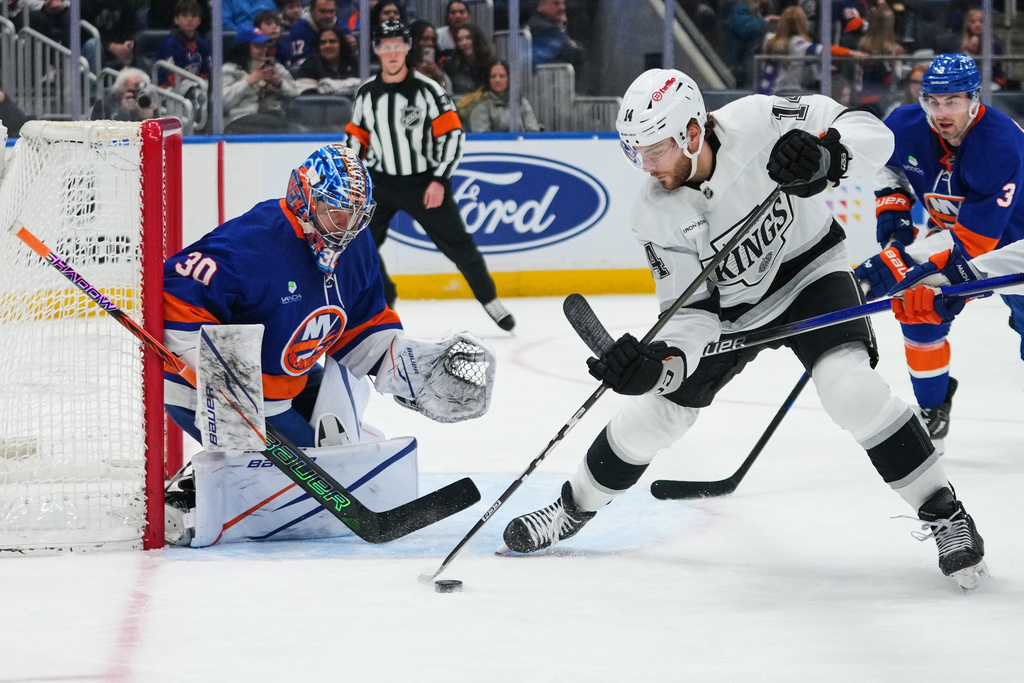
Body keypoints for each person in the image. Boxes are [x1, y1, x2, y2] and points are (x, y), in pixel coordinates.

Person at [500, 67, 988, 591]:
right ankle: (573, 508)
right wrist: (658, 366)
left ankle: (945, 514)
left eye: (655, 149)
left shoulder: (759, 119)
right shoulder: (652, 212)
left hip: (810, 275)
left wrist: (828, 156)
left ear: (692, 133)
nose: (646, 165)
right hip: (731, 312)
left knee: (850, 389)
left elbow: (875, 133)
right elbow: (691, 312)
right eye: (636, 151)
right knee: (654, 416)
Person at [162, 144, 495, 545]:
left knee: (347, 449)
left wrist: (408, 368)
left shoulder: (355, 244)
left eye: (358, 215)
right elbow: (176, 292)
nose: (347, 227)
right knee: (314, 480)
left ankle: (233, 474)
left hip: (288, 379)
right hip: (216, 391)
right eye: (337, 213)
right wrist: (219, 372)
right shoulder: (253, 242)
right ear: (305, 198)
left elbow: (363, 322)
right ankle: (193, 493)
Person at [853, 53, 1024, 448]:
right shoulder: (904, 124)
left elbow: (978, 246)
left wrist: (903, 260)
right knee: (918, 309)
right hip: (962, 240)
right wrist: (893, 214)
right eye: (933, 101)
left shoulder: (998, 144)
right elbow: (887, 167)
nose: (941, 112)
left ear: (975, 99)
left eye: (952, 102)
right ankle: (933, 411)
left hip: (1015, 248)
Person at [345, 20, 515, 331]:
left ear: (408, 48)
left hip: (424, 182)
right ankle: (385, 296)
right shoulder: (366, 94)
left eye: (398, 45)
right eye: (386, 46)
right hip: (380, 182)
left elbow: (452, 135)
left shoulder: (428, 90)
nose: (392, 52)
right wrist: (354, 179)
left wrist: (439, 179)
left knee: (459, 245)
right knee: (358, 242)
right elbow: (356, 139)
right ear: (377, 50)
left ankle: (489, 299)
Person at [759, 5, 863, 95]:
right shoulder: (798, 43)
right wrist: (851, 52)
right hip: (785, 92)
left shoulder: (768, 39)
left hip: (764, 92)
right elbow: (826, 50)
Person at [222, 26, 302, 133]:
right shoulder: (229, 70)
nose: (264, 50)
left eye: (265, 46)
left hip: (275, 119)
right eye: (258, 46)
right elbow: (223, 103)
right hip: (241, 121)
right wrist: (248, 81)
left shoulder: (275, 67)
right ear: (244, 47)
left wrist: (279, 83)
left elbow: (297, 96)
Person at [469, 60, 541, 133]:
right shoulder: (481, 105)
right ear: (488, 80)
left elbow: (533, 131)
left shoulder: (521, 102)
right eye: (493, 76)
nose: (497, 80)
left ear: (509, 79)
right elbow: (482, 138)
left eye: (502, 76)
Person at [156, 0, 212, 89]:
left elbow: (207, 72)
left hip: (197, 88)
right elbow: (171, 76)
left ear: (199, 21)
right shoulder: (169, 44)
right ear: (176, 20)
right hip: (169, 91)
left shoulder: (203, 44)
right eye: (185, 16)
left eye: (194, 16)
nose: (190, 19)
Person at [295, 25, 359, 96]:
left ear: (341, 44)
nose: (327, 46)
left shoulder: (355, 63)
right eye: (323, 42)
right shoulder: (309, 66)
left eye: (332, 41)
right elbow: (308, 99)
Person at [442, 23, 496, 99]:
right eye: (460, 40)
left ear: (477, 40)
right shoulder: (449, 65)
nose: (464, 43)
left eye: (468, 38)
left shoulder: (492, 64)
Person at [528, 0, 585, 71]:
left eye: (563, 3)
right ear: (542, 5)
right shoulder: (545, 29)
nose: (562, 7)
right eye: (556, 4)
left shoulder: (551, 26)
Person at [960, 8, 1006, 90]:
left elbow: (994, 68)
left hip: (992, 81)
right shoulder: (959, 44)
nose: (978, 24)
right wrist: (969, 50)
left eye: (981, 21)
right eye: (973, 22)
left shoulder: (995, 44)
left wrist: (977, 50)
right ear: (968, 24)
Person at [89, 67, 158, 121]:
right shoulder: (104, 103)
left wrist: (147, 118)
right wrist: (124, 112)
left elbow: (160, 129)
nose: (137, 96)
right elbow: (98, 129)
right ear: (121, 90)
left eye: (140, 92)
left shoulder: (147, 101)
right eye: (133, 92)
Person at [409, 19, 449, 89]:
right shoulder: (402, 65)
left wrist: (439, 77)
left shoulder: (439, 64)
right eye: (425, 39)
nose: (430, 43)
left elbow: (447, 90)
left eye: (433, 40)